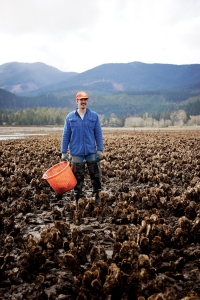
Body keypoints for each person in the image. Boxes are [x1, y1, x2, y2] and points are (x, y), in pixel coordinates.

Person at [61, 91, 104, 206]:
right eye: (81, 100)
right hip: (76, 152)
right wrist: (64, 152)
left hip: (91, 151)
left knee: (95, 175)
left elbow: (98, 133)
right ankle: (77, 197)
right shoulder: (70, 117)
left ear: (87, 101)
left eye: (85, 99)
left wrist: (100, 149)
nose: (83, 102)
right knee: (77, 177)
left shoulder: (93, 116)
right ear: (77, 101)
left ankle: (97, 195)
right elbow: (66, 135)